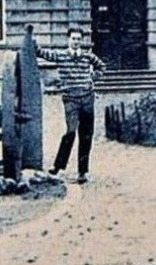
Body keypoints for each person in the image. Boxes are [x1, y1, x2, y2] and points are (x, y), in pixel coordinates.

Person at [36, 25, 107, 183]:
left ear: (81, 41)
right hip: (71, 99)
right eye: (73, 39)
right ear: (68, 39)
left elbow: (102, 66)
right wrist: (34, 45)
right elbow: (45, 54)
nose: (76, 42)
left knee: (86, 135)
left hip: (87, 99)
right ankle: (58, 166)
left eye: (78, 39)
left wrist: (94, 77)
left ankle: (82, 172)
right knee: (70, 132)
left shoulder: (88, 56)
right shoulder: (62, 55)